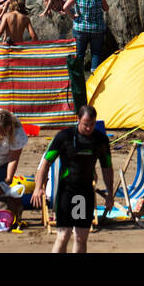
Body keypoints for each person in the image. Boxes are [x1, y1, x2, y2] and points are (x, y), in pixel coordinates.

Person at [32, 105, 113, 253]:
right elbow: (46, 162)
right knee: (64, 235)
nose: (89, 128)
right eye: (85, 124)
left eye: (92, 125)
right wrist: (38, 187)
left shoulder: (100, 140)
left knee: (81, 237)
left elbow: (107, 167)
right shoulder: (65, 137)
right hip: (67, 191)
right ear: (78, 120)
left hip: (84, 193)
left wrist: (110, 194)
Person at [64, 0, 110, 72]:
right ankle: (94, 77)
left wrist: (73, 17)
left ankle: (79, 77)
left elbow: (65, 7)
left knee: (79, 54)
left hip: (80, 28)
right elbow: (106, 9)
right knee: (96, 53)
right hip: (96, 29)